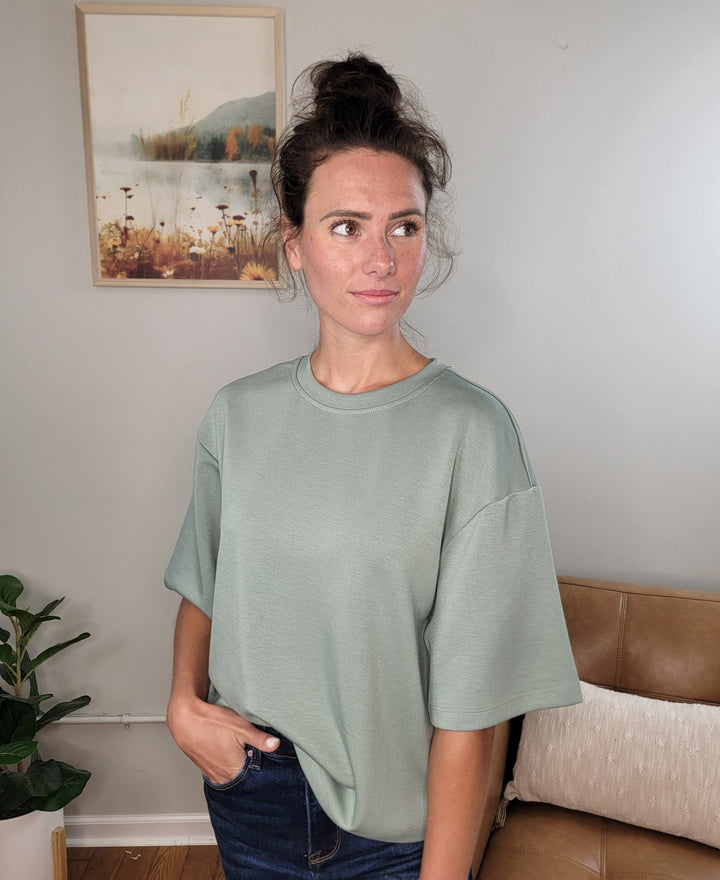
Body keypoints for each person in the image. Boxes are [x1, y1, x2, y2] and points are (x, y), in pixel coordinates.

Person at [164, 53, 581, 880]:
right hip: (251, 792)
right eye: (347, 226)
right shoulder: (237, 415)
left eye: (405, 226)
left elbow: (475, 711)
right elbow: (204, 582)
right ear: (294, 244)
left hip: (395, 833)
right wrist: (182, 705)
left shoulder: (474, 434)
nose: (381, 258)